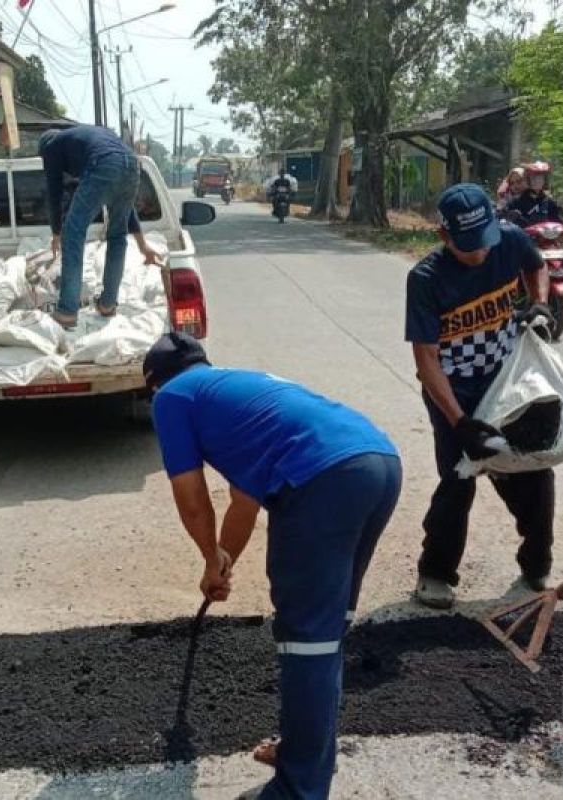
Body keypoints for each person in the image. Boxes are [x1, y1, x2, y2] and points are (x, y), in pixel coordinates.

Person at [143, 333, 402, 799]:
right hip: (378, 463)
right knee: (326, 636)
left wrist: (207, 557)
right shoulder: (234, 391)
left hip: (324, 480)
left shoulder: (171, 398)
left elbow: (191, 495)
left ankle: (298, 789)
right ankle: (304, 752)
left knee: (307, 643)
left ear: (154, 383)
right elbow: (243, 503)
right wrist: (221, 562)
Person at [405, 183, 557, 609]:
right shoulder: (426, 279)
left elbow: (537, 264)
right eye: (468, 247)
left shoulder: (509, 239)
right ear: (443, 236)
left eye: (484, 242)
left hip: (505, 381)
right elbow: (427, 360)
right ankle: (435, 573)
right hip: (453, 389)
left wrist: (539, 302)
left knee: (533, 467)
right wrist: (460, 423)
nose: (480, 254)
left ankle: (536, 561)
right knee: (460, 477)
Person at [38, 125, 163, 329]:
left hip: (104, 164)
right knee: (117, 235)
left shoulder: (51, 148)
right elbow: (127, 209)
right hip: (132, 164)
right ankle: (107, 304)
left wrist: (57, 232)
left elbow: (55, 193)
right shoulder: (81, 141)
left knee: (72, 233)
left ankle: (68, 311)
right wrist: (143, 246)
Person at [505, 161, 563, 227]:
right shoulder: (516, 202)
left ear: (544, 180)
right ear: (528, 180)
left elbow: (561, 225)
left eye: (540, 178)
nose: (537, 181)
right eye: (533, 178)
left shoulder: (550, 203)